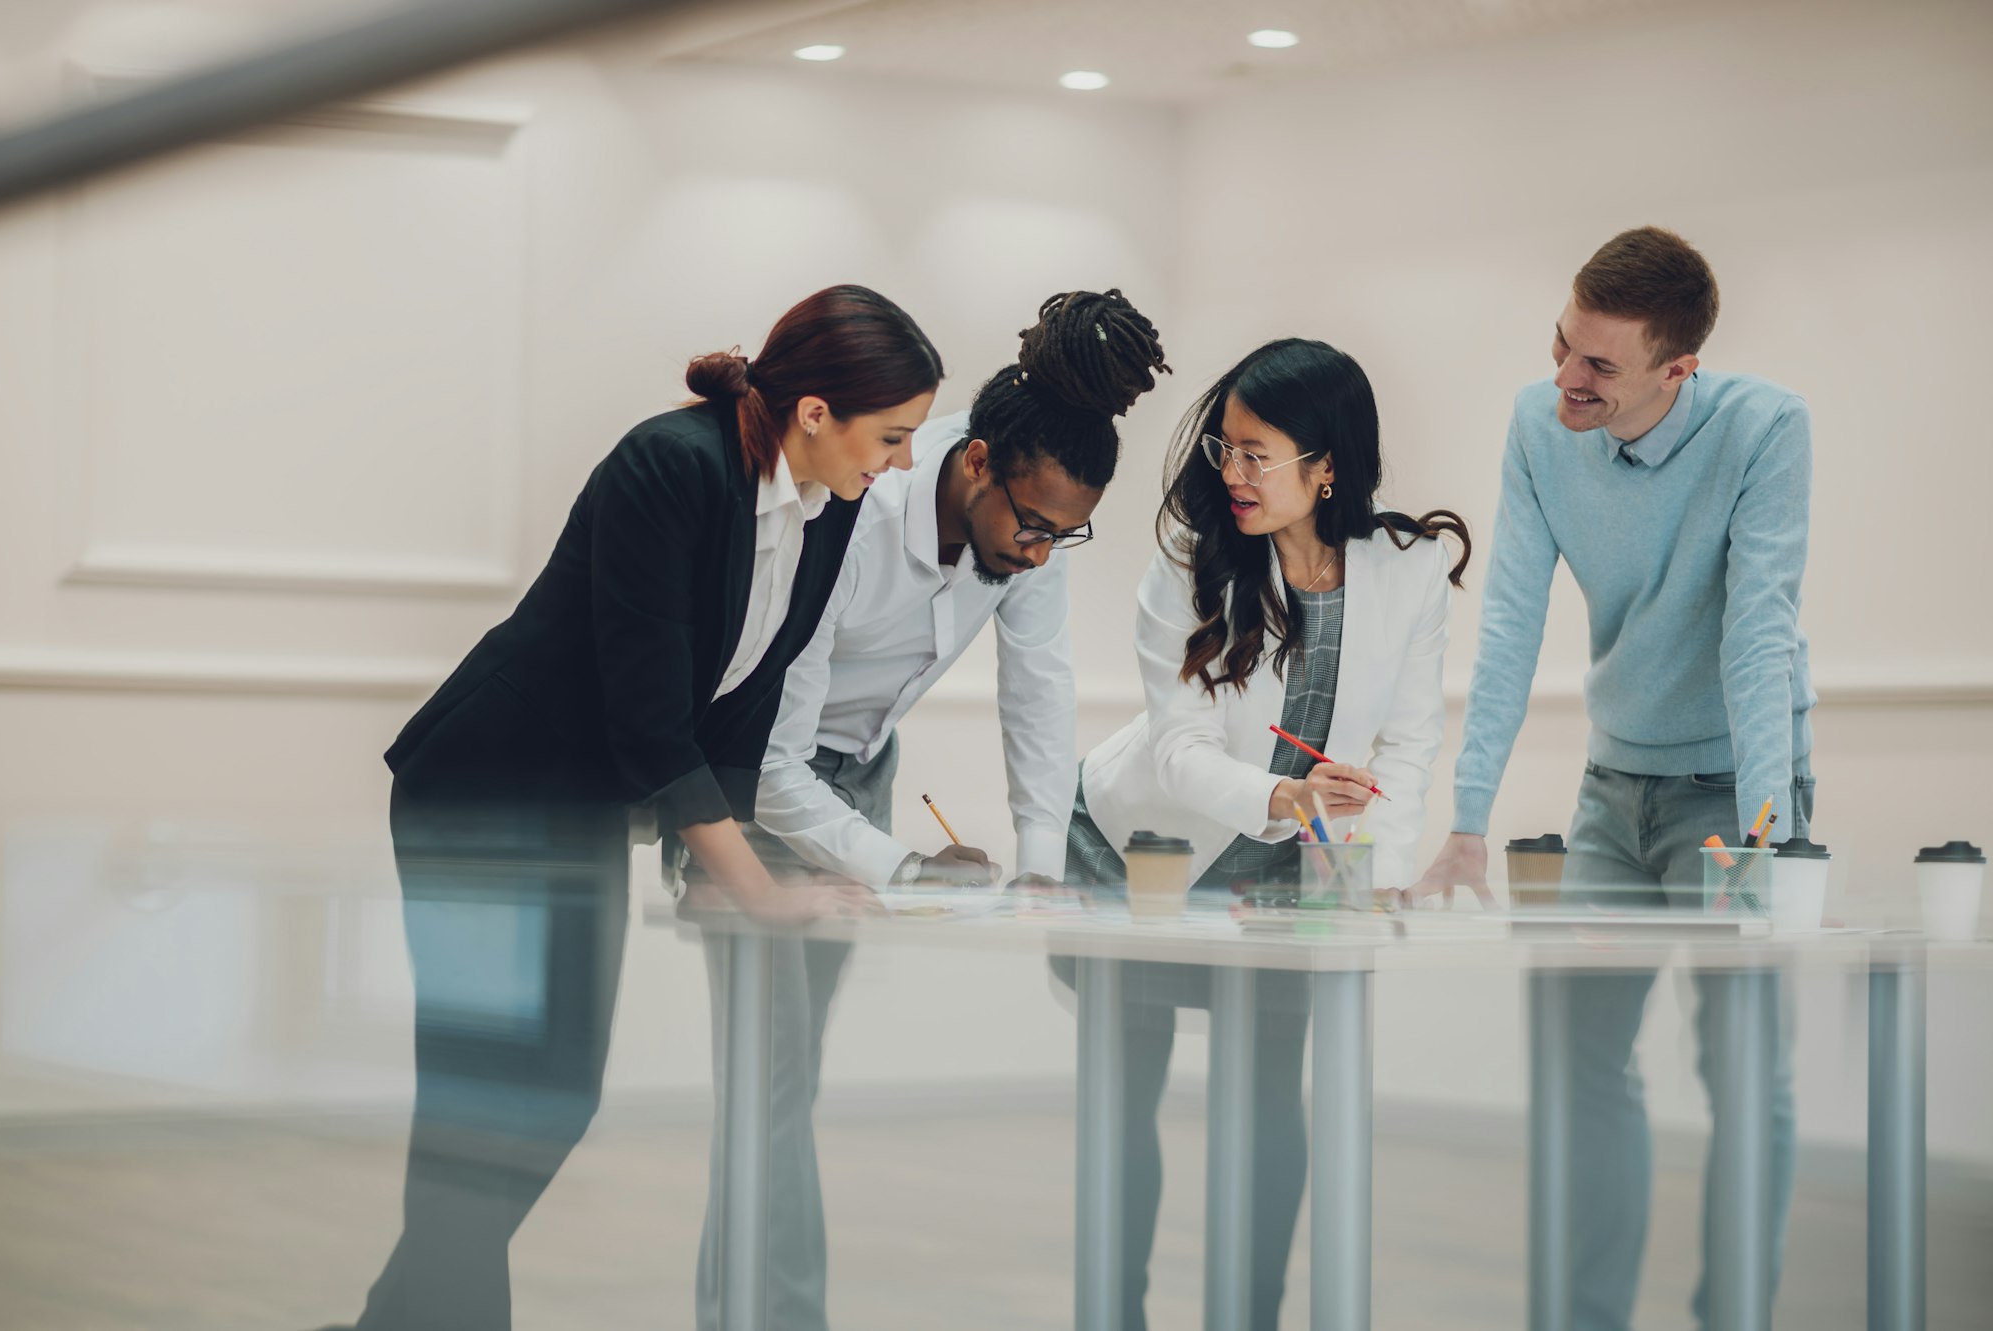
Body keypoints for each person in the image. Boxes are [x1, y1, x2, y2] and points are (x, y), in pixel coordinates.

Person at [345, 285, 942, 1331]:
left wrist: (782, 865)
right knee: (492, 1105)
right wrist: (758, 893)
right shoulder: (669, 463)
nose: (897, 464)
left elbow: (744, 714)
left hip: (573, 810)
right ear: (814, 412)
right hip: (484, 793)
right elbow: (648, 715)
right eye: (890, 436)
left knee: (548, 1101)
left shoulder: (830, 506)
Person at [692, 289, 1169, 1329]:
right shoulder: (858, 503)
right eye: (1032, 524)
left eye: (1065, 535)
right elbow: (774, 759)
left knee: (783, 1086)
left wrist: (1038, 862)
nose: (1040, 550)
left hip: (854, 772)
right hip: (751, 778)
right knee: (765, 1088)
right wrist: (901, 870)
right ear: (973, 464)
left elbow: (1036, 688)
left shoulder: (1030, 524)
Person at [1410, 226, 1815, 1329]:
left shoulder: (1764, 428)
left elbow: (1759, 633)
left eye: (1597, 365)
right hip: (1610, 790)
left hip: (1736, 793)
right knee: (1577, 1061)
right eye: (1560, 345)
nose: (1564, 380)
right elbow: (1506, 623)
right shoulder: (1538, 430)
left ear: (1674, 368)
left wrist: (1771, 835)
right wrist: (1465, 819)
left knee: (1741, 1075)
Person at [1061, 338, 1470, 1330]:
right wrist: (1285, 801)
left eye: (1258, 454)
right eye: (1223, 449)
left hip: (1287, 868)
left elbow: (1410, 741)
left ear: (1326, 465)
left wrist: (1373, 875)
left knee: (1264, 1106)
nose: (1232, 475)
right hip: (1143, 848)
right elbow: (1178, 748)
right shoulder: (1191, 559)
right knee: (1123, 1105)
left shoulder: (1405, 571)